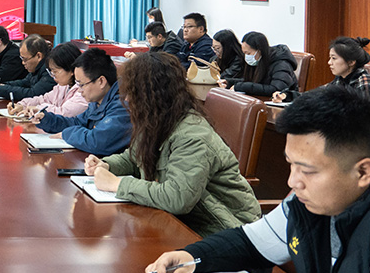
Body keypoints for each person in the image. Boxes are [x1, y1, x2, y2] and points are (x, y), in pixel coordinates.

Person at [144, 86, 370, 273]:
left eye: (307, 171)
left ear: (363, 172)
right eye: (291, 164)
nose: (292, 182)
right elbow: (251, 243)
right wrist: (192, 257)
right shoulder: (311, 201)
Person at [84, 52, 261, 237]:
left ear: (152, 95)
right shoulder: (157, 120)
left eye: (133, 93)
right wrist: (107, 165)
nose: (127, 100)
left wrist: (118, 184)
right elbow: (134, 158)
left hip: (229, 232)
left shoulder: (192, 135)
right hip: (185, 223)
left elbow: (178, 198)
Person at [32, 48, 132, 155]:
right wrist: (47, 119)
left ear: (101, 81)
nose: (79, 90)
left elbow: (98, 141)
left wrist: (67, 134)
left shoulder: (122, 105)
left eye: (81, 84)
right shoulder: (97, 102)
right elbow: (76, 122)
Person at [274, 36, 370, 106]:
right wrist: (287, 96)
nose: (329, 62)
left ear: (351, 62)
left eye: (334, 58)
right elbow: (314, 96)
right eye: (330, 58)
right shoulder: (340, 80)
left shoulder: (366, 84)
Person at [12, 42, 89, 117]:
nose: (53, 76)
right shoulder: (63, 86)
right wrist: (22, 105)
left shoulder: (83, 91)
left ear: (71, 70)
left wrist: (38, 109)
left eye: (55, 72)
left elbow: (63, 113)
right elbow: (44, 99)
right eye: (51, 72)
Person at [218, 31, 297, 97]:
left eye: (248, 53)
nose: (246, 56)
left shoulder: (281, 64)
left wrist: (241, 86)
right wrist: (230, 82)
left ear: (259, 51)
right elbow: (253, 81)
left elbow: (276, 89)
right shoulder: (259, 60)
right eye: (244, 53)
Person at [0, 34, 54, 101]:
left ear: (39, 56)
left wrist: (2, 90)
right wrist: (3, 85)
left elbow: (33, 94)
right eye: (22, 59)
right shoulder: (37, 66)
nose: (23, 63)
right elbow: (25, 82)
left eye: (25, 59)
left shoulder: (50, 69)